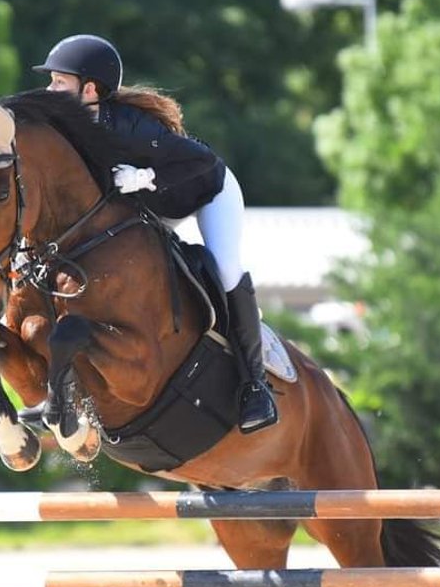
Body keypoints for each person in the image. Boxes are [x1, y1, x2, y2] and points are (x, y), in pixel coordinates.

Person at [33, 33, 277, 434]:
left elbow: (202, 162)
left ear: (89, 89)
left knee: (226, 268)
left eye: (60, 82)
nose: (50, 89)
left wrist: (145, 176)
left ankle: (255, 385)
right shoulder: (66, 125)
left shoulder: (131, 126)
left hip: (204, 190)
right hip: (151, 205)